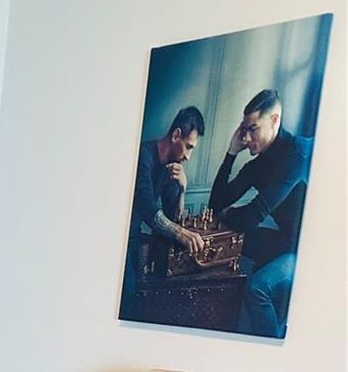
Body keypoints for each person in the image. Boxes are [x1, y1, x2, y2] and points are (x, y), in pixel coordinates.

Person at [210, 89, 313, 338]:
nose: (246, 138)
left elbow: (252, 216)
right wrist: (231, 153)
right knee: (233, 241)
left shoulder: (297, 153)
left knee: (256, 288)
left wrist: (229, 212)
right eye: (243, 130)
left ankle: (276, 349)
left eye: (253, 129)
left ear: (274, 120)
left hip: (311, 249)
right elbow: (216, 203)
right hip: (286, 241)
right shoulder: (255, 166)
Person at [130, 106, 208, 267]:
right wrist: (182, 234)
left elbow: (173, 218)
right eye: (188, 147)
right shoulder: (143, 155)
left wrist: (182, 189)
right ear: (176, 135)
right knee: (130, 289)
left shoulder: (172, 166)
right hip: (120, 234)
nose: (188, 156)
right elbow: (148, 209)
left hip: (135, 235)